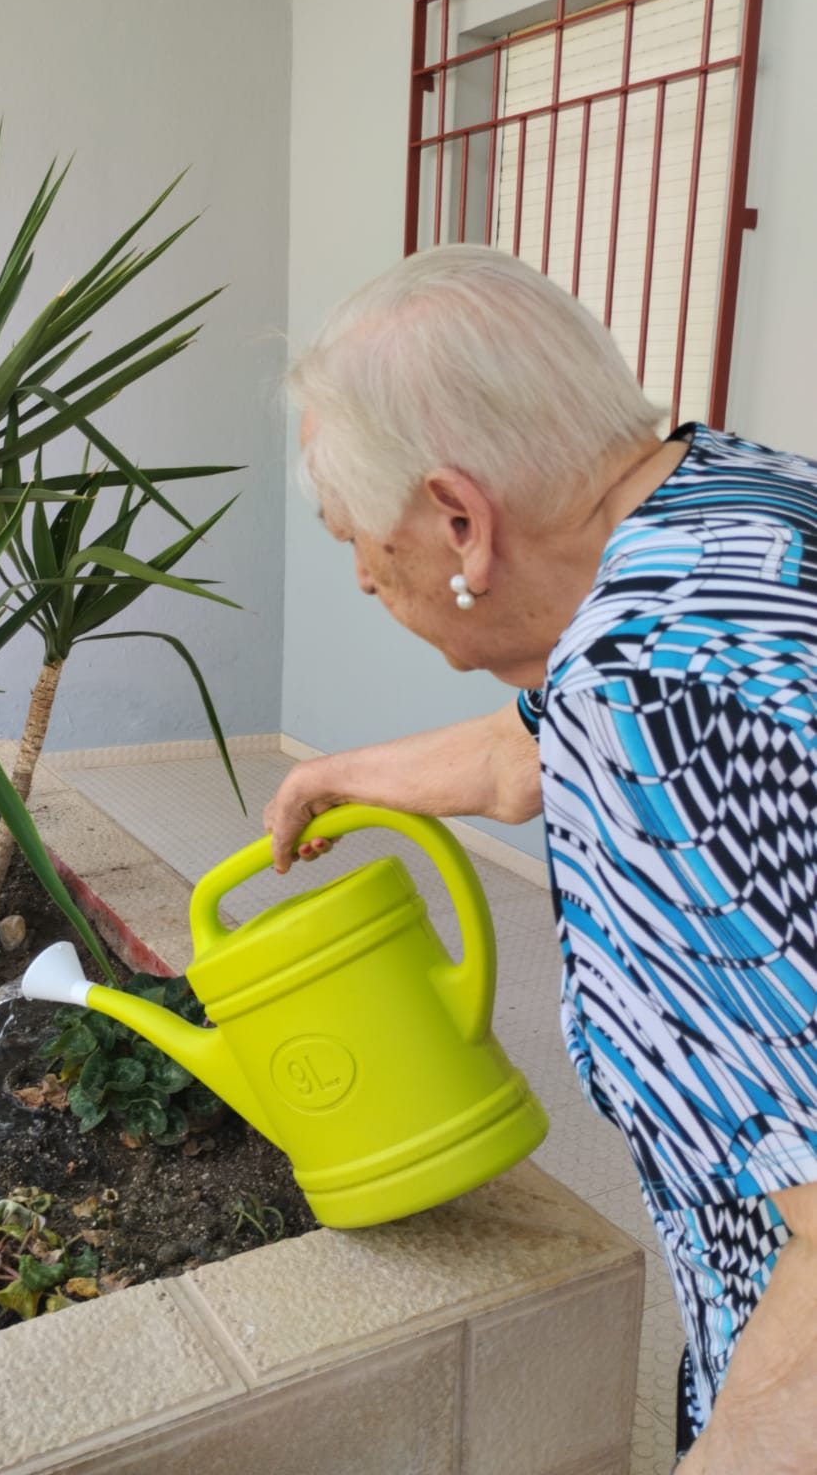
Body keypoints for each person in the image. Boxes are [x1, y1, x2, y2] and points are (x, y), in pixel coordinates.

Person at [265, 246, 817, 1473]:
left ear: (460, 520)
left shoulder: (647, 706)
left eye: (360, 540)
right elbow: (531, 753)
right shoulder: (735, 497)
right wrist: (332, 774)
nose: (360, 575)